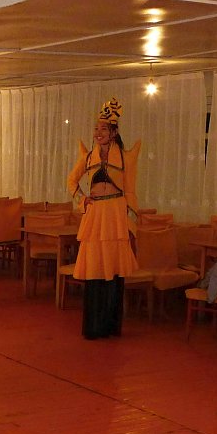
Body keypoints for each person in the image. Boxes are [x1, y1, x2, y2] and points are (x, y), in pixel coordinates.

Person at [67, 98, 140, 339]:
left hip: (116, 214)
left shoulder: (126, 158)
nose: (98, 133)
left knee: (114, 269)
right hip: (96, 214)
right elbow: (71, 181)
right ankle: (94, 327)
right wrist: (82, 199)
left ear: (114, 132)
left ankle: (110, 325)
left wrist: (132, 223)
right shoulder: (88, 157)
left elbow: (130, 192)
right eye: (96, 129)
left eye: (103, 129)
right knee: (95, 267)